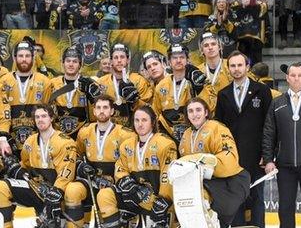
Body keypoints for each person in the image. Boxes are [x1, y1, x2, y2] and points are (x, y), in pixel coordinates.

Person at [0, 104, 77, 227]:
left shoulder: (65, 142)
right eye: (37, 117)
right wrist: (15, 168)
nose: (40, 119)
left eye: (44, 116)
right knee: (1, 186)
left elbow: (66, 172)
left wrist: (56, 191)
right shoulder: (29, 141)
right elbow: (25, 163)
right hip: (35, 188)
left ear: (51, 118)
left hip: (56, 193)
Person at [215, 51, 272, 227]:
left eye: (240, 65)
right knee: (235, 199)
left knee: (256, 197)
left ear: (247, 67)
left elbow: (269, 125)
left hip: (256, 156)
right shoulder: (223, 94)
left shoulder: (261, 91)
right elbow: (219, 128)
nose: (237, 69)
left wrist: (267, 154)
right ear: (228, 68)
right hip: (232, 158)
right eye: (233, 65)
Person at [262, 61, 301, 228]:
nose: (296, 79)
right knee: (285, 207)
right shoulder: (277, 103)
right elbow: (268, 132)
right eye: (292, 75)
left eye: (299, 75)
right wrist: (268, 159)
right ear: (287, 78)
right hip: (284, 165)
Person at [63, 95, 134, 228]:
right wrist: (81, 167)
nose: (102, 111)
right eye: (98, 108)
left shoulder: (125, 135)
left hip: (113, 185)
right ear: (94, 111)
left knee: (104, 196)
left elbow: (130, 163)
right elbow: (76, 156)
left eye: (106, 107)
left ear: (112, 111)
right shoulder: (84, 132)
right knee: (72, 190)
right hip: (92, 182)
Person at [179, 98, 251, 228]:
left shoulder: (216, 128)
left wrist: (204, 162)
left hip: (231, 181)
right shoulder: (186, 135)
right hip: (204, 182)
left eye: (198, 110)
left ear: (206, 112)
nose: (194, 114)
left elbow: (229, 157)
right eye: (190, 111)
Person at [107, 106, 177, 227]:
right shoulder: (126, 145)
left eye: (144, 120)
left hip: (155, 201)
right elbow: (120, 168)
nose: (140, 124)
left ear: (153, 122)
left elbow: (168, 175)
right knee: (105, 195)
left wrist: (164, 200)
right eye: (136, 120)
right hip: (134, 197)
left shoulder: (165, 144)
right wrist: (126, 182)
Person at [0, 39, 52, 154]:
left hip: (37, 142)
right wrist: (3, 138)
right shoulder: (3, 81)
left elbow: (50, 114)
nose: (24, 59)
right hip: (10, 142)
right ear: (15, 58)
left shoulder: (45, 82)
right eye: (20, 56)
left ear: (33, 58)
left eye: (27, 56)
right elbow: (0, 113)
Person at [152, 44, 208, 142]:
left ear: (188, 60)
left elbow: (210, 107)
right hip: (169, 138)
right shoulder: (161, 86)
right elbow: (155, 114)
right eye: (174, 58)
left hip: (195, 135)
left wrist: (200, 89)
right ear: (169, 61)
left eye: (182, 57)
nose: (178, 60)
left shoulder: (197, 80)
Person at [49, 47, 102, 139]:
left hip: (82, 135)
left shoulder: (89, 83)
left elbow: (100, 111)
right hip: (58, 136)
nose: (71, 64)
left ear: (80, 65)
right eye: (68, 61)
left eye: (75, 61)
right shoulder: (53, 83)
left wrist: (94, 97)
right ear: (63, 63)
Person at [98, 43, 152, 126]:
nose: (119, 60)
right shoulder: (101, 82)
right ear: (111, 61)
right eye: (115, 57)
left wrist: (135, 101)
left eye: (122, 57)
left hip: (134, 130)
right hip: (109, 132)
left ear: (128, 60)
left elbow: (149, 111)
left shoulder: (139, 81)